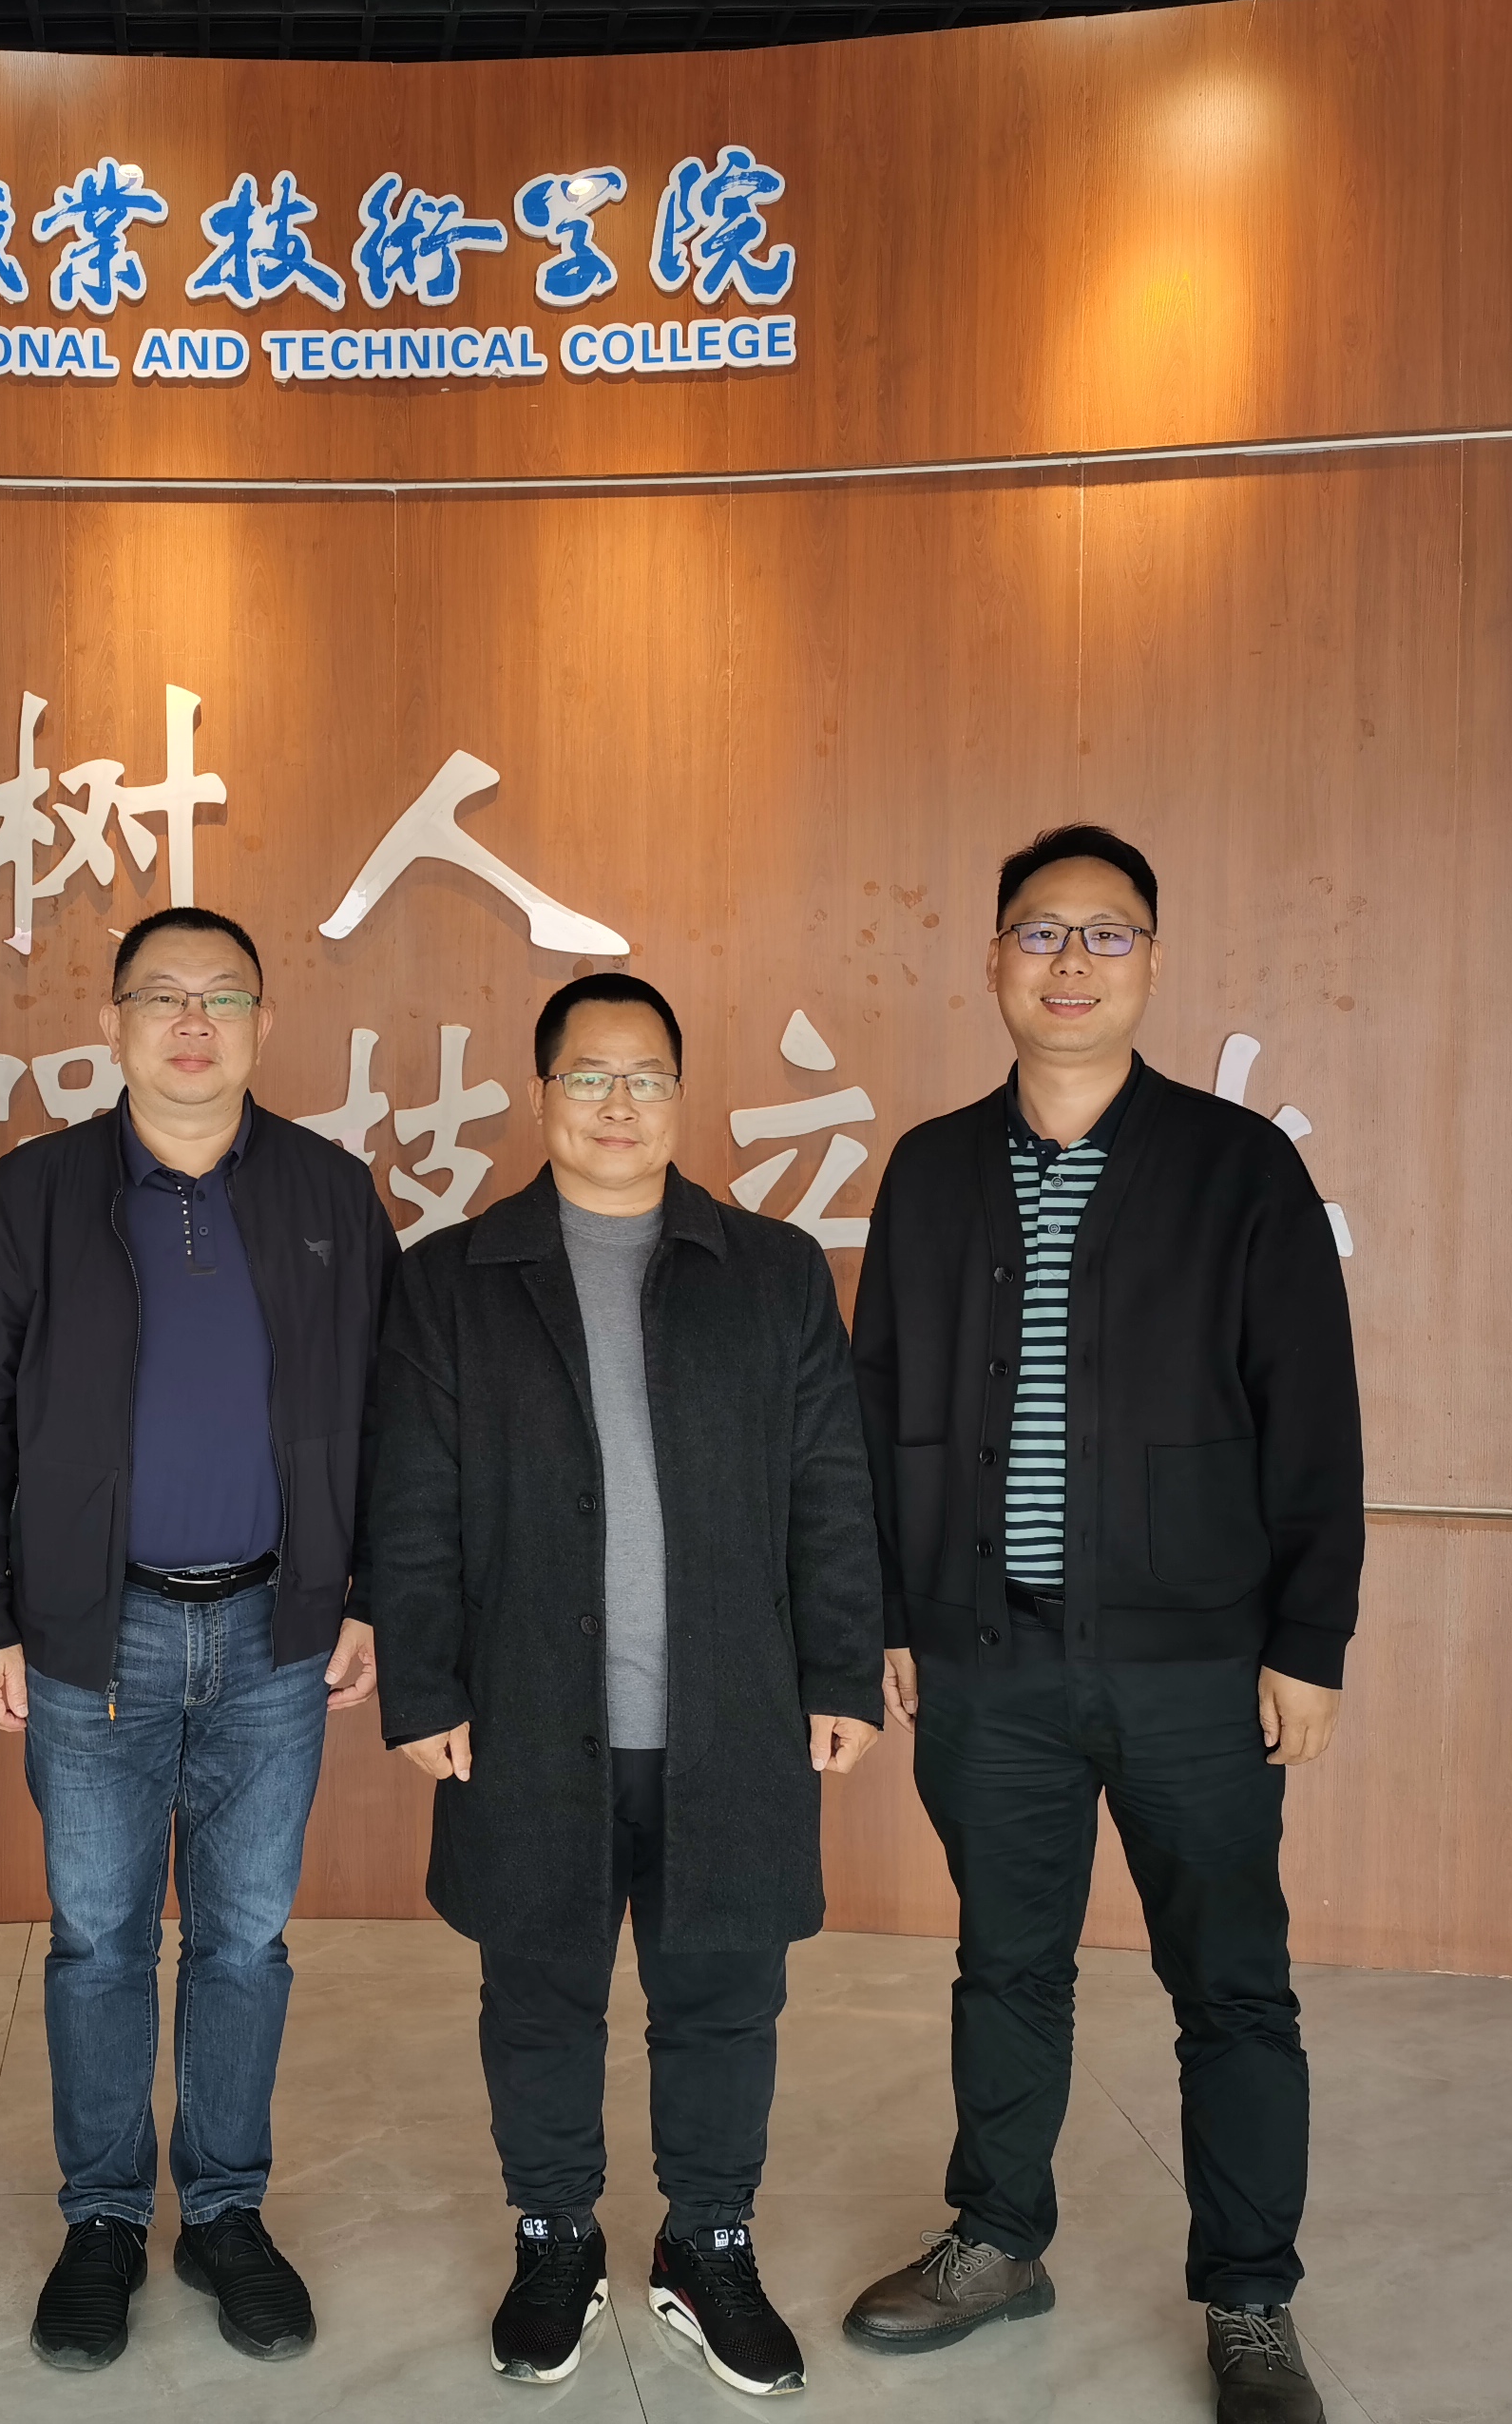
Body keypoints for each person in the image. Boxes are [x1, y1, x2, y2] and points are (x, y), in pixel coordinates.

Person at [838, 825, 1362, 2424]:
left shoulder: (1237, 1167)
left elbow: (1314, 1415)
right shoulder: (933, 1170)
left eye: (1106, 934)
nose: (1071, 962)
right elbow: (878, 1408)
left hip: (1197, 1664)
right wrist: (890, 1611)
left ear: (1151, 963)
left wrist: (1310, 1641)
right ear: (993, 960)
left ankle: (1251, 2299)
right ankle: (999, 2239)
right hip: (987, 1657)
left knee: (1232, 1986)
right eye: (1041, 932)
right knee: (1006, 1965)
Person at [366, 969, 889, 2398]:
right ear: (541, 1094)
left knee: (724, 1995)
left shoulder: (771, 1271)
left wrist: (844, 1671)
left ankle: (709, 2240)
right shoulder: (454, 1280)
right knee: (538, 1993)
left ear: (680, 1093)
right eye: (589, 1075)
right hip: (528, 1711)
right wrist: (423, 1687)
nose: (618, 1102)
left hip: (733, 1709)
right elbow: (411, 1505)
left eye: (645, 1075)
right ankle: (554, 2235)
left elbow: (831, 1489)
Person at [0, 906, 399, 2372]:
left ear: (263, 1024)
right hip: (95, 1637)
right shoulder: (37, 1194)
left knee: (246, 1940)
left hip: (275, 1632)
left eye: (223, 997)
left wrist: (370, 1594)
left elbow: (396, 1413)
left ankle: (228, 2213)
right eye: (163, 996)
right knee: (98, 1942)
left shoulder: (328, 1192)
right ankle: (102, 2220)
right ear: (114, 1025)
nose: (194, 1023)